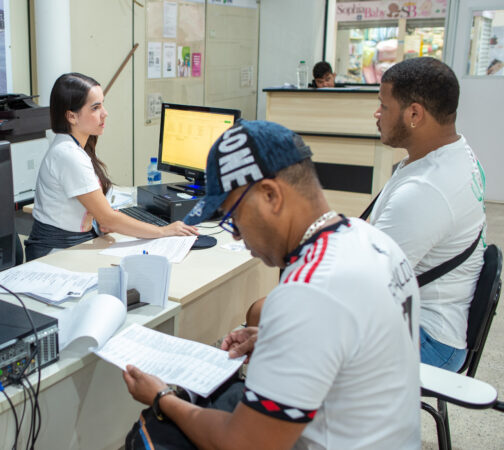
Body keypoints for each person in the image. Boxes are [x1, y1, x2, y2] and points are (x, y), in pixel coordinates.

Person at [122, 120, 421, 449]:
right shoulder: (372, 240)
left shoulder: (307, 291)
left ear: (270, 195)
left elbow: (242, 444)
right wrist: (277, 337)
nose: (237, 234)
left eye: (233, 217)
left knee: (154, 431)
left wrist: (162, 397)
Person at [370, 57, 487, 372]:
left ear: (414, 114)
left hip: (429, 339)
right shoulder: (455, 152)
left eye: (384, 106)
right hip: (434, 320)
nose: (377, 114)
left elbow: (367, 286)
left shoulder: (426, 190)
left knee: (275, 317)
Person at [24, 73, 198, 261]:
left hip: (74, 242)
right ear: (71, 116)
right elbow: (108, 219)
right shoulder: (68, 154)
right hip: (55, 252)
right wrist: (163, 231)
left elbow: (102, 217)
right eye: (95, 108)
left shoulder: (74, 146)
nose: (105, 113)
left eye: (102, 104)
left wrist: (102, 219)